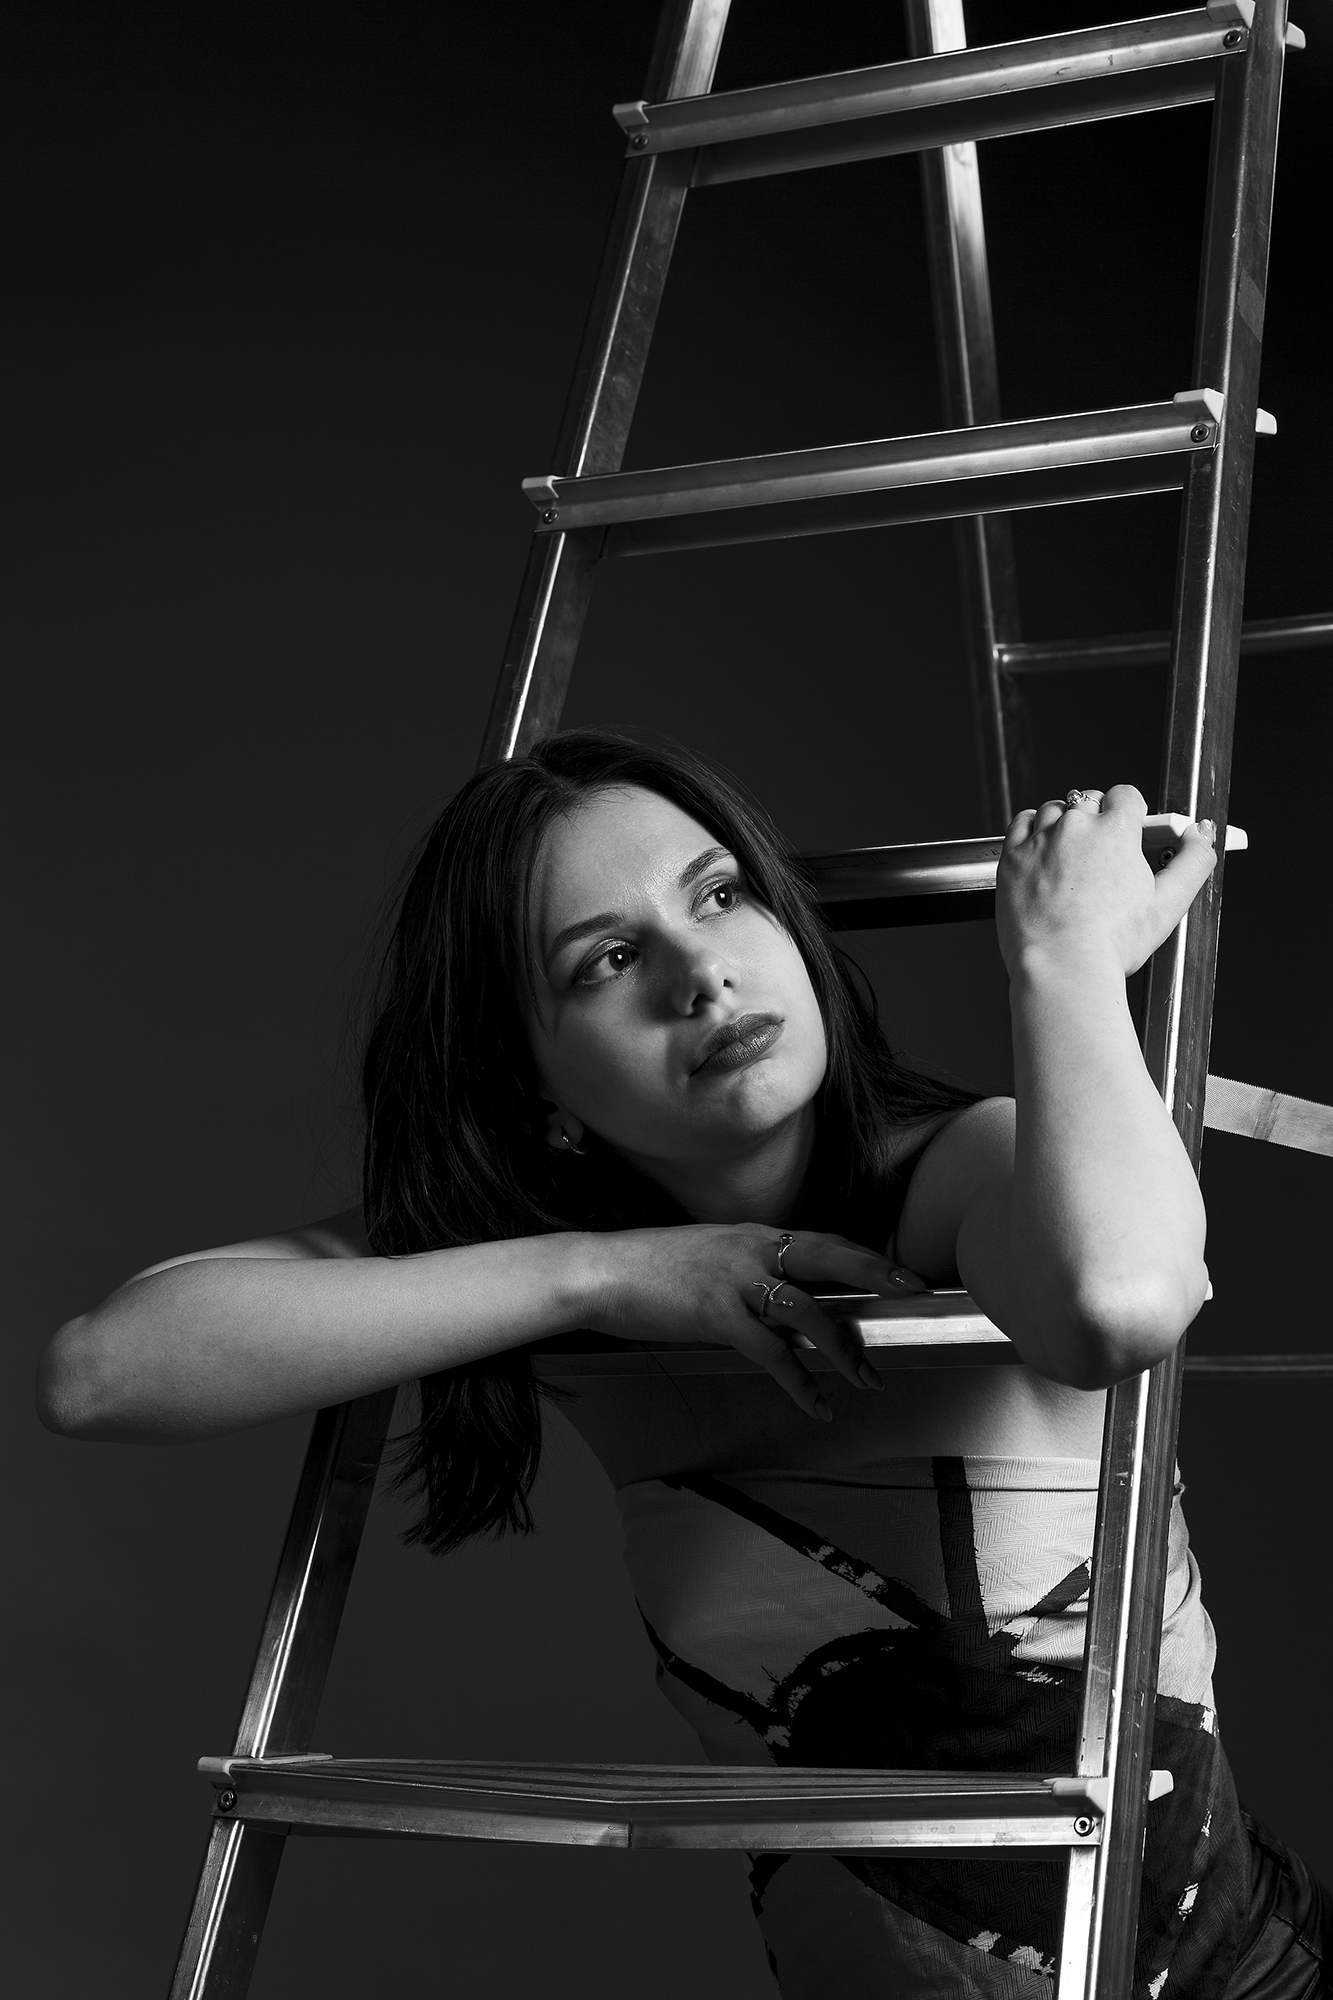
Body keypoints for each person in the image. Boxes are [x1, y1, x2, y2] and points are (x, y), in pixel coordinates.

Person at [38, 730, 1328, 1998]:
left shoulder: (959, 1173)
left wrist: (1063, 964)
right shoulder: (569, 1259)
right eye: (608, 959)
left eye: (720, 896)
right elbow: (100, 1370)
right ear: (536, 1083)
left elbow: (1120, 1303)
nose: (701, 973)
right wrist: (603, 1275)